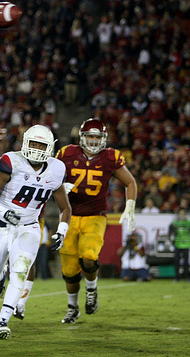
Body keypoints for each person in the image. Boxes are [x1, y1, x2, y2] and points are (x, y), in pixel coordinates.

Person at [0, 125, 71, 340]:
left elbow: (65, 207)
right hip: (1, 224)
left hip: (29, 226)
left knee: (20, 271)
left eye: (42, 145)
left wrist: (61, 231)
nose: (37, 149)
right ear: (25, 143)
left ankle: (2, 321)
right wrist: (5, 211)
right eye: (34, 143)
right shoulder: (12, 161)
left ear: (51, 148)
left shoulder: (57, 169)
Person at [55, 118, 137, 323]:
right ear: (82, 137)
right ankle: (72, 307)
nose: (93, 140)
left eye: (97, 136)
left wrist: (130, 205)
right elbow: (49, 176)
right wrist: (58, 185)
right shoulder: (66, 154)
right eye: (90, 136)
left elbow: (130, 182)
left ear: (104, 138)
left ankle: (91, 291)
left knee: (89, 256)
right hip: (69, 217)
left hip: (95, 216)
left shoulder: (110, 157)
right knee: (70, 271)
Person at [168, 208, 190, 282]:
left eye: (183, 213)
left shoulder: (188, 222)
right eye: (180, 213)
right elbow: (170, 230)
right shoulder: (175, 222)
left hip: (186, 244)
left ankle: (186, 277)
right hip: (177, 243)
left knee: (186, 262)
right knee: (176, 261)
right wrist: (171, 239)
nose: (182, 215)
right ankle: (177, 277)